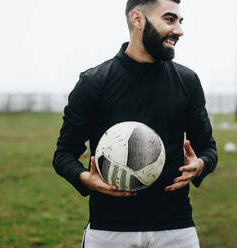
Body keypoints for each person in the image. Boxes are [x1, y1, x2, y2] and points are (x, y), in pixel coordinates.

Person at [52, 0, 218, 247]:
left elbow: (209, 149)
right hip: (109, 230)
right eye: (170, 20)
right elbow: (63, 154)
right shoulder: (94, 82)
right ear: (137, 19)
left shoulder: (187, 81)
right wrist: (85, 178)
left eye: (180, 22)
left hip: (175, 229)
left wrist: (200, 164)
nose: (179, 30)